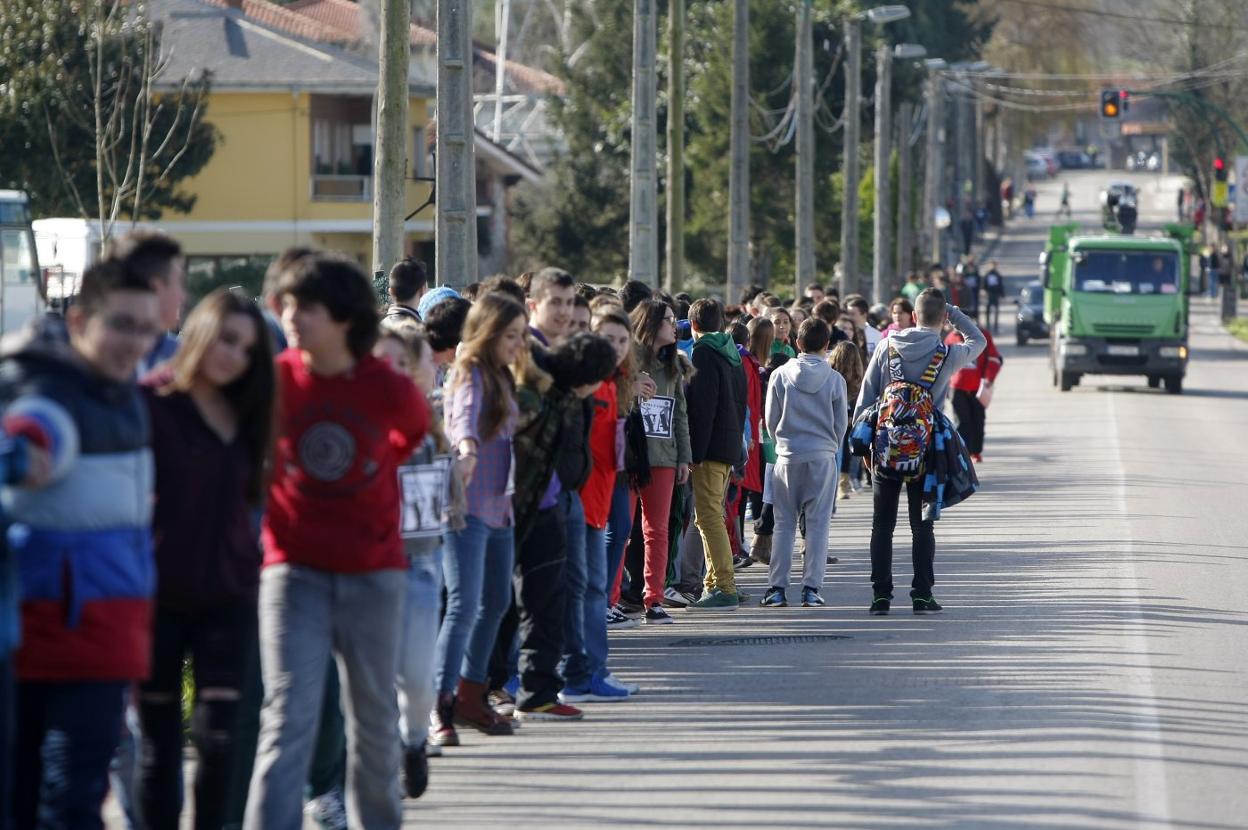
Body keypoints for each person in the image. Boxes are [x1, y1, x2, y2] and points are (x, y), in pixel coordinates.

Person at [244, 253, 430, 830]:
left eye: (309, 307)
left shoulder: (385, 385)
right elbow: (251, 452)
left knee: (373, 723)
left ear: (346, 317)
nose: (293, 316)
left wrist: (375, 472)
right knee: (285, 720)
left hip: (374, 573)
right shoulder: (274, 379)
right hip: (291, 572)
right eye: (288, 304)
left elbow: (415, 433)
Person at [2, 259, 161, 829]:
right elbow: (34, 427)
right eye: (121, 324)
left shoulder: (126, 395)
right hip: (47, 634)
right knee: (49, 801)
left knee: (71, 799)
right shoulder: (48, 389)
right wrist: (21, 455)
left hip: (106, 638)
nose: (135, 342)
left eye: (146, 329)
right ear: (79, 321)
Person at [139, 289, 276, 830]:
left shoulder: (250, 411)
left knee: (220, 741)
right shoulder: (153, 402)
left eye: (246, 348)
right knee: (159, 747)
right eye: (227, 339)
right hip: (157, 595)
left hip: (229, 595)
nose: (235, 356)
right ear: (199, 333)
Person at [854, 289, 984, 618]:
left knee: (881, 525)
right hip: (927, 450)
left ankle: (880, 596)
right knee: (921, 525)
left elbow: (866, 397)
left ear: (912, 315)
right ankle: (922, 594)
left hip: (885, 447)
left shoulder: (887, 345)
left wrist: (862, 444)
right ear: (943, 319)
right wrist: (953, 312)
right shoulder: (947, 352)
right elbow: (978, 340)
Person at [432, 293, 525, 745]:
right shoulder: (469, 371)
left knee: (496, 604)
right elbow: (464, 421)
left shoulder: (503, 374)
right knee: (465, 604)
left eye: (521, 335)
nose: (518, 343)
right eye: (511, 336)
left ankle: (471, 694)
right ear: (488, 333)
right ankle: (440, 703)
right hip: (467, 506)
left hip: (499, 507)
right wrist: (466, 451)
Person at [372, 320, 457, 797]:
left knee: (418, 676)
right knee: (373, 676)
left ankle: (411, 738)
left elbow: (448, 486)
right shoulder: (359, 418)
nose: (398, 373)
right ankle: (382, 758)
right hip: (369, 566)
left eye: (407, 363)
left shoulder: (432, 418)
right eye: (388, 363)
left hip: (422, 562)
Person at [760, 318, 848, 609]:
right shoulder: (835, 379)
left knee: (784, 524)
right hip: (822, 456)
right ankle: (811, 588)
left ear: (797, 343)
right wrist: (829, 445)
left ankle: (777, 588)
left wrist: (782, 441)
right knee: (818, 525)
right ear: (827, 345)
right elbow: (841, 424)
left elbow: (771, 419)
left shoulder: (781, 375)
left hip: (788, 456)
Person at [625, 301, 691, 621]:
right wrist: (631, 386)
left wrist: (684, 459)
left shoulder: (673, 366)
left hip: (664, 458)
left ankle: (655, 598)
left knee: (658, 530)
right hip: (630, 456)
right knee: (622, 529)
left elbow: (680, 415)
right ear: (650, 323)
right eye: (668, 320)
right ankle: (612, 598)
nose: (674, 326)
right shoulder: (627, 358)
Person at [684, 299, 747, 611]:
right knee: (713, 514)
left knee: (708, 516)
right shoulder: (732, 352)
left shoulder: (703, 353)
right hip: (729, 444)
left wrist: (693, 452)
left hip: (709, 448)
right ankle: (713, 581)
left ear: (693, 325)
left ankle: (724, 584)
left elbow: (703, 408)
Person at [108, 230, 186, 375]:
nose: (183, 296)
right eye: (179, 283)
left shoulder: (179, 354)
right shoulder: (101, 361)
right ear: (156, 289)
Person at [946, 325, 1003, 465]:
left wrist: (989, 378)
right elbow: (943, 363)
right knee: (961, 421)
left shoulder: (982, 336)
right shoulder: (950, 338)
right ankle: (963, 452)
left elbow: (994, 359)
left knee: (978, 420)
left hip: (978, 389)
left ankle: (976, 452)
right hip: (956, 388)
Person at [829, 341, 865, 500]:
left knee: (843, 451)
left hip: (846, 416)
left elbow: (857, 394)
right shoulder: (833, 374)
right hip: (841, 416)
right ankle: (842, 483)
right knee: (843, 451)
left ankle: (842, 483)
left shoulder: (853, 376)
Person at [957, 256, 981, 322]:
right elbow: (961, 274)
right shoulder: (964, 267)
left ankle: (975, 318)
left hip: (974, 289)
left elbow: (978, 278)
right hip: (965, 289)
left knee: (974, 304)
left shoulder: (975, 267)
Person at [983, 261, 1005, 333]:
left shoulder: (997, 275)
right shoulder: (987, 274)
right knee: (987, 311)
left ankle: (995, 326)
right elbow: (984, 284)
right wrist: (983, 291)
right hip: (989, 294)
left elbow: (1000, 285)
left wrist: (1002, 295)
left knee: (996, 311)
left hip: (995, 294)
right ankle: (988, 325)